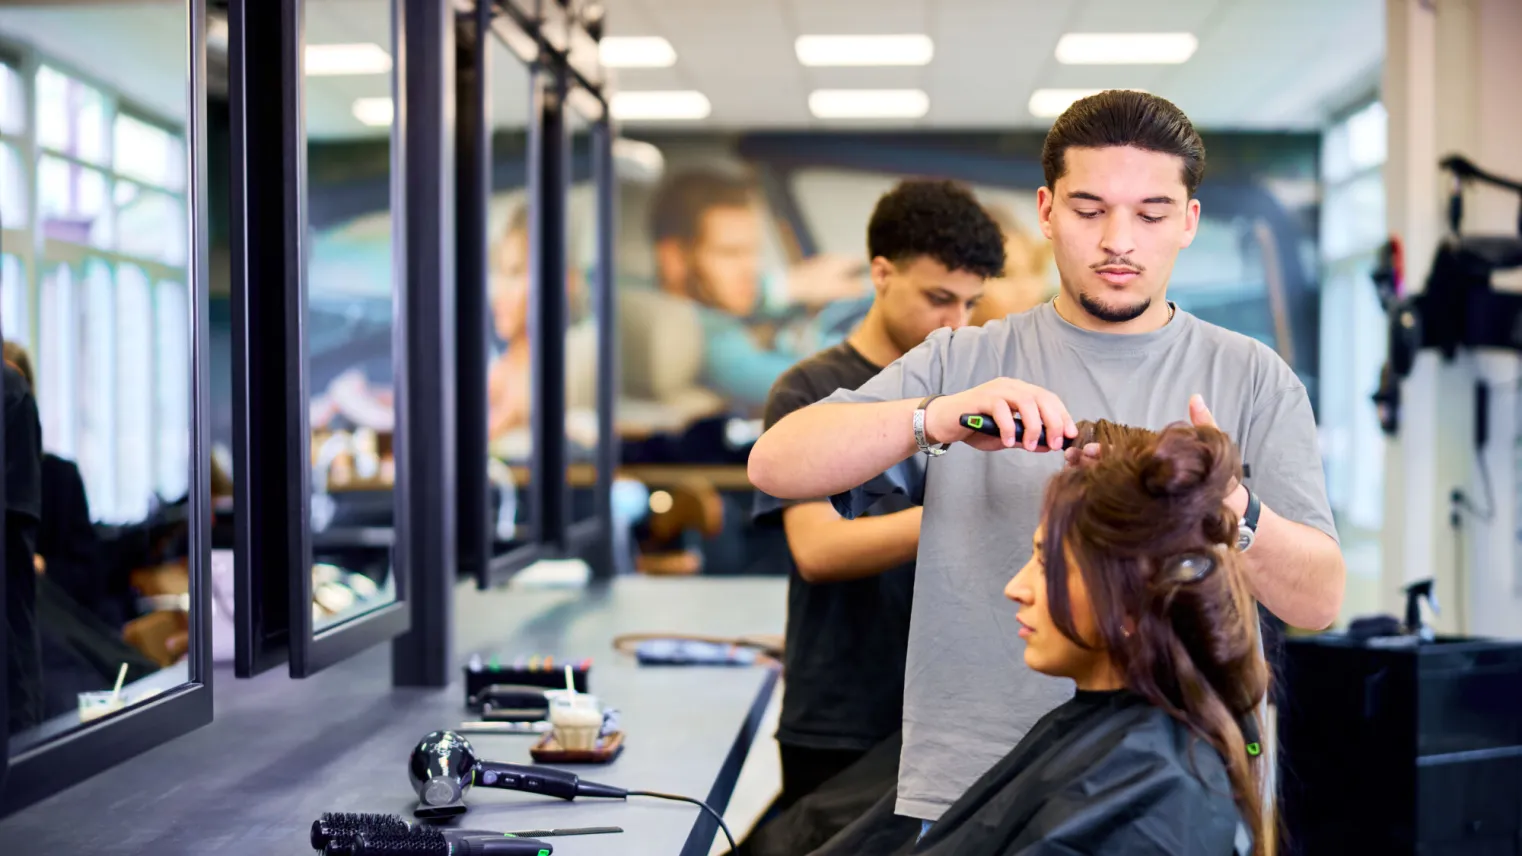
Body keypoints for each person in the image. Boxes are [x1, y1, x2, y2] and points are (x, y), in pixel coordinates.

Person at [747, 89, 1344, 830]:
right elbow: (776, 465)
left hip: (1174, 790)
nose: (1118, 240)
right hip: (971, 782)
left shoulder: (1254, 379)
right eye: (1090, 210)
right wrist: (939, 418)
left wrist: (1231, 513)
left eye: (1151, 214)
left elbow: (1318, 600)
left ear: (1188, 222)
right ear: (1047, 212)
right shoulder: (965, 360)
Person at [741, 180, 1006, 853]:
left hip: (945, 712)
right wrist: (969, 516)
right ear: (882, 275)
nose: (956, 324)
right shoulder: (809, 393)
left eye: (970, 303)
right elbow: (819, 551)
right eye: (938, 299)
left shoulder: (972, 390)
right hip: (839, 712)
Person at [912, 420, 1270, 855]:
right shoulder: (1127, 756)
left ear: (1127, 601)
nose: (1016, 587)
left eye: (1046, 565)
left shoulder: (1152, 794)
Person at [646, 169, 866, 409]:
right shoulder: (712, 343)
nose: (751, 269)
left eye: (753, 252)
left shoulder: (689, 308)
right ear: (674, 259)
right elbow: (813, 385)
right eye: (730, 253)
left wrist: (782, 288)